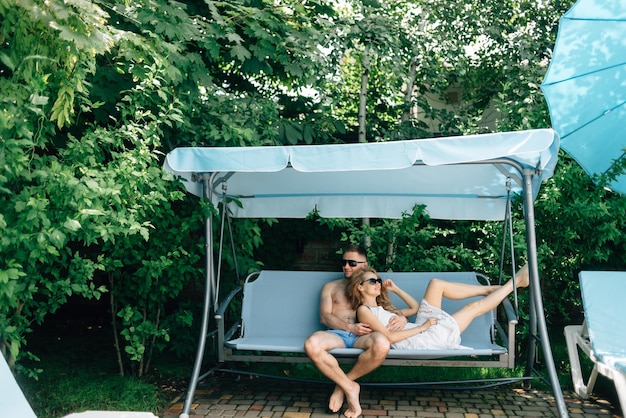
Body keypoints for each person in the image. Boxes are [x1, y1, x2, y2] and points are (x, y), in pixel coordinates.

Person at [304, 244, 407, 418]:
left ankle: (342, 386)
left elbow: (390, 310)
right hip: (337, 334)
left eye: (352, 263)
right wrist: (350, 327)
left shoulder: (372, 285)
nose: (346, 267)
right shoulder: (330, 287)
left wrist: (402, 319)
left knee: (382, 344)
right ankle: (350, 388)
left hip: (365, 336)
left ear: (364, 265)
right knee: (311, 344)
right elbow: (325, 317)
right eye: (344, 262)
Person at [347, 264, 529, 351]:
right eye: (372, 281)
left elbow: (415, 307)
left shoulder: (381, 310)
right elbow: (388, 337)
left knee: (435, 284)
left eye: (378, 280)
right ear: (360, 287)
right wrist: (423, 327)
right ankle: (515, 283)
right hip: (420, 340)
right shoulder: (364, 311)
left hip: (420, 330)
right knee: (473, 307)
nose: (377, 283)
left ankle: (489, 289)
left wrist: (395, 289)